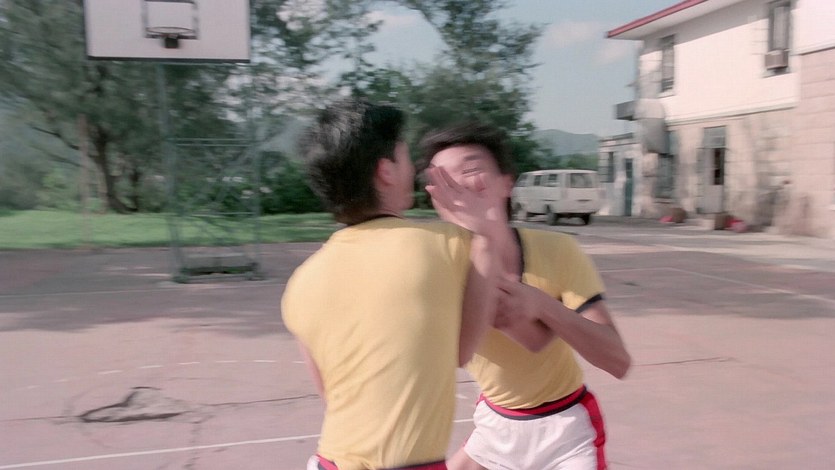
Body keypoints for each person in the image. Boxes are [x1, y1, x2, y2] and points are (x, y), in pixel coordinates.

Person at [281, 99, 506, 470]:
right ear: (385, 171)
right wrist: (483, 233)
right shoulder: (448, 247)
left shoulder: (301, 281)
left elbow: (331, 397)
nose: (413, 169)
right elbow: (462, 351)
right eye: (404, 158)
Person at [420, 123, 632, 470]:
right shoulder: (441, 266)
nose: (457, 186)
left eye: (470, 170)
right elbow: (527, 337)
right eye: (442, 179)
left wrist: (542, 304)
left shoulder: (558, 249)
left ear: (507, 183)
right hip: (496, 426)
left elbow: (617, 362)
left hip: (564, 428)